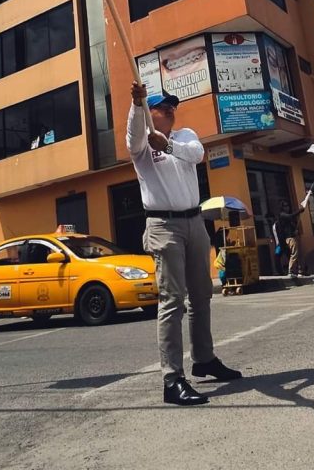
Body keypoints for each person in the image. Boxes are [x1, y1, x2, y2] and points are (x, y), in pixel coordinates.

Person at [127, 82, 241, 407]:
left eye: (172, 106)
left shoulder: (185, 136)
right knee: (172, 300)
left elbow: (198, 153)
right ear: (150, 113)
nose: (171, 111)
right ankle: (172, 378)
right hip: (163, 225)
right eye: (163, 107)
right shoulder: (140, 147)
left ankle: (204, 359)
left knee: (202, 294)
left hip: (195, 221)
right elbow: (133, 135)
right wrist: (136, 105)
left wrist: (168, 145)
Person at [273, 194, 312, 281]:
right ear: (282, 207)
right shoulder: (282, 215)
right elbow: (290, 216)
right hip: (289, 238)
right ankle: (291, 271)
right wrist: (300, 210)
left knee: (299, 254)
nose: (287, 207)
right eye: (285, 206)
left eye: (288, 206)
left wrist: (295, 230)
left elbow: (291, 224)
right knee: (293, 254)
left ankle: (301, 270)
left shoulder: (287, 216)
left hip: (293, 236)